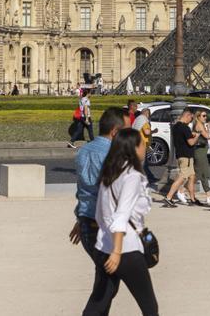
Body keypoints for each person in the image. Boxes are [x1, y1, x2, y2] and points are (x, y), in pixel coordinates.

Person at [82, 128, 158, 315]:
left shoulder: (110, 173)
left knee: (98, 305)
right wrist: (117, 252)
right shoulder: (132, 176)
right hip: (125, 249)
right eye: (142, 143)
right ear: (133, 148)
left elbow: (100, 214)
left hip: (104, 245)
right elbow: (121, 216)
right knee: (149, 307)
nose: (145, 146)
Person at [70, 108, 126, 262]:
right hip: (104, 224)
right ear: (115, 131)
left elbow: (83, 189)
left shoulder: (83, 150)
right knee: (109, 276)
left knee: (104, 276)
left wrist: (81, 218)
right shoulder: (113, 153)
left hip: (86, 220)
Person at [162, 109, 200, 207]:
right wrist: (197, 136)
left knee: (191, 176)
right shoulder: (185, 127)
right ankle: (169, 197)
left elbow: (183, 139)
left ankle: (192, 198)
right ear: (187, 115)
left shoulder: (176, 127)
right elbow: (191, 142)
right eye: (191, 118)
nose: (191, 120)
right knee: (181, 177)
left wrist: (191, 135)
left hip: (181, 155)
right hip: (186, 156)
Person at [190, 109, 210, 209]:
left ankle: (207, 195)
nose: (205, 117)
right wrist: (209, 131)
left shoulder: (200, 125)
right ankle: (207, 194)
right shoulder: (198, 125)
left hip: (201, 151)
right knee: (202, 173)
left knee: (200, 174)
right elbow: (207, 136)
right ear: (198, 117)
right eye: (203, 116)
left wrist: (208, 128)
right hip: (200, 152)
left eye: (206, 116)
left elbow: (206, 136)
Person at [130, 107, 158, 187]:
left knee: (143, 163)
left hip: (135, 142)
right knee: (142, 163)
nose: (149, 116)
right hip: (141, 144)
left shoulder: (138, 119)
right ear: (146, 113)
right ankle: (143, 180)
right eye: (149, 114)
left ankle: (149, 178)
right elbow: (146, 132)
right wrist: (153, 131)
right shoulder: (144, 119)